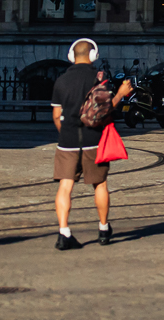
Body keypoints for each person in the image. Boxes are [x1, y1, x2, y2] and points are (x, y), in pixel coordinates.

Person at [49, 37, 132, 248]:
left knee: (65, 186)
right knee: (100, 184)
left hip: (67, 141)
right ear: (93, 55)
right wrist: (121, 94)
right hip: (94, 140)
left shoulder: (61, 81)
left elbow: (56, 115)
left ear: (71, 56)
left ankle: (64, 233)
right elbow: (106, 109)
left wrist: (65, 133)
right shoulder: (99, 79)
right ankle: (103, 229)